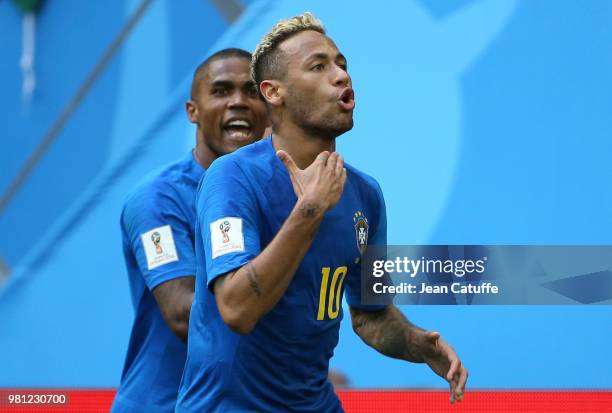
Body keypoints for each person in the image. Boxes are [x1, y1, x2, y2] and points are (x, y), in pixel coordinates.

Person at [176, 13, 468, 413]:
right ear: (273, 92)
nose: (341, 76)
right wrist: (310, 210)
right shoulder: (232, 178)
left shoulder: (366, 196)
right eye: (318, 66)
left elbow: (371, 316)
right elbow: (237, 309)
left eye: (341, 64)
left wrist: (416, 343)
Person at [111, 48, 267, 413]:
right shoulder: (156, 199)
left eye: (251, 92)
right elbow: (183, 314)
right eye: (221, 91)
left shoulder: (276, 193)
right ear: (192, 111)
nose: (238, 102)